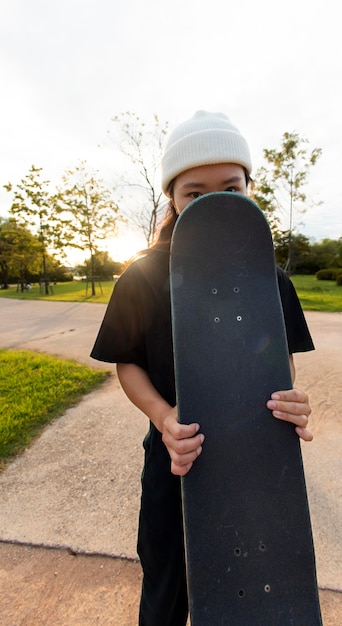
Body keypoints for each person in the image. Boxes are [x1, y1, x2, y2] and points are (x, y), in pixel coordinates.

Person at [90, 111, 315, 626]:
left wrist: (289, 401)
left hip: (255, 465)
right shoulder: (143, 275)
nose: (215, 202)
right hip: (177, 460)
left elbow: (280, 362)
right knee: (167, 590)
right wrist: (165, 419)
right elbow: (128, 363)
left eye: (231, 188)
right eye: (195, 192)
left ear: (250, 189)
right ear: (172, 196)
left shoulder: (270, 279)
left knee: (254, 593)